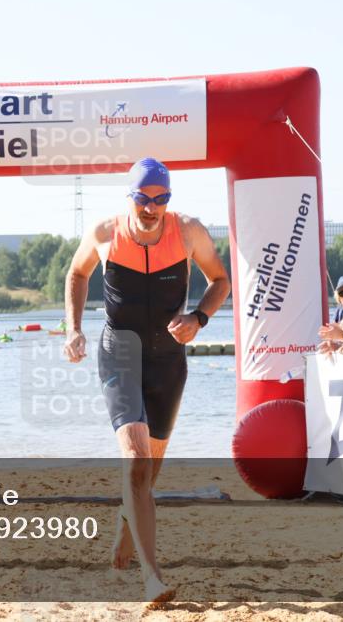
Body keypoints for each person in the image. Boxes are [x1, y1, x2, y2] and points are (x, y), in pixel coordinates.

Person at [62, 157, 230, 606]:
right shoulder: (104, 233)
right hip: (120, 350)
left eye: (161, 199)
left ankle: (125, 517)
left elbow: (220, 280)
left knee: (150, 468)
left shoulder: (189, 230)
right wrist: (73, 328)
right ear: (130, 197)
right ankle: (152, 577)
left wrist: (199, 317)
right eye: (144, 198)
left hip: (168, 359)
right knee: (136, 461)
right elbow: (76, 273)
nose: (152, 207)